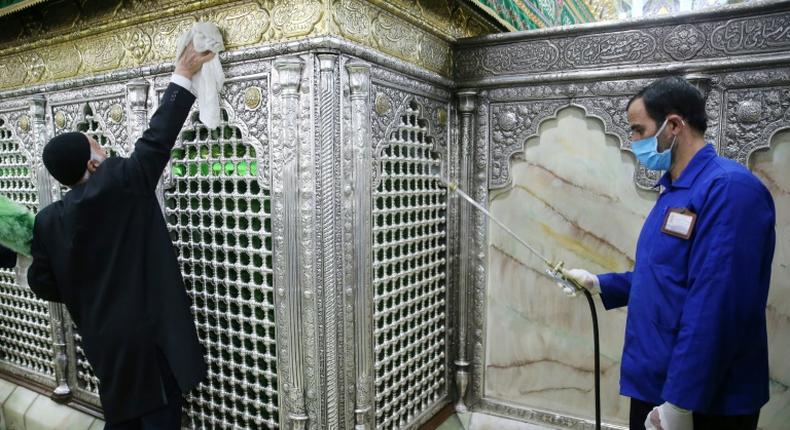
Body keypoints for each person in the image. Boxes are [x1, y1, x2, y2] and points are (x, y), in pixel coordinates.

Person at [569, 77, 775, 430]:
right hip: (658, 382)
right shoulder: (675, 191)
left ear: (674, 125)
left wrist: (681, 402)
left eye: (638, 130)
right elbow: (664, 276)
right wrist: (601, 284)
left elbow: (718, 304)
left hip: (705, 399)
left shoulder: (729, 189)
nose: (632, 142)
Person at [26, 43, 215, 429]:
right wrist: (184, 72)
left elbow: (42, 284)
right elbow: (157, 139)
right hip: (151, 343)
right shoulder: (122, 183)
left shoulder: (48, 222)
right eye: (97, 145)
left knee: (124, 417)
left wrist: (85, 287)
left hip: (106, 347)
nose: (104, 147)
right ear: (93, 163)